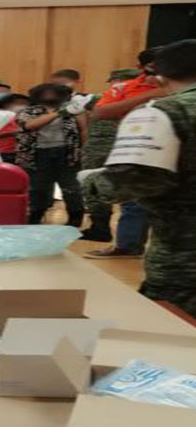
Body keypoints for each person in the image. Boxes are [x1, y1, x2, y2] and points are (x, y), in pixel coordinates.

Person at [81, 39, 196, 317]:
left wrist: (90, 180)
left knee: (176, 329)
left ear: (159, 75)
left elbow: (131, 182)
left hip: (185, 257)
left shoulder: (163, 112)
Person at [80, 54, 164, 247]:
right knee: (133, 199)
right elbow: (100, 112)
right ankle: (127, 244)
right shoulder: (122, 89)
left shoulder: (183, 89)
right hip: (133, 148)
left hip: (164, 149)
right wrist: (150, 95)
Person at [17, 83, 88, 226]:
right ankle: (35, 218)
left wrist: (84, 149)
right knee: (38, 188)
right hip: (37, 154)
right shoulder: (29, 111)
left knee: (71, 188)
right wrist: (60, 112)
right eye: (46, 93)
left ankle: (75, 218)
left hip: (67, 153)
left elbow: (83, 129)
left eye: (54, 92)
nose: (50, 96)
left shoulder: (74, 110)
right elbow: (29, 125)